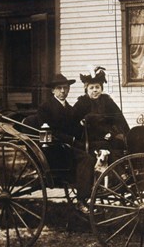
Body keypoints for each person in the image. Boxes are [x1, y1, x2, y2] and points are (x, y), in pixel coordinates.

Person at [38, 73, 93, 214]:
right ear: (53, 90)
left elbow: (72, 127)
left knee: (91, 151)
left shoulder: (68, 108)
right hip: (54, 149)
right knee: (86, 159)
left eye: (65, 88)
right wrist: (71, 140)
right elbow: (49, 131)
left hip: (66, 146)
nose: (63, 91)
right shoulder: (46, 107)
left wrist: (82, 125)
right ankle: (81, 200)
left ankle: (87, 187)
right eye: (59, 88)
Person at [73, 67, 130, 163]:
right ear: (86, 89)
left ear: (101, 88)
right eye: (91, 88)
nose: (95, 90)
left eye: (97, 87)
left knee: (122, 143)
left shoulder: (107, 101)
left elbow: (119, 119)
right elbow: (74, 122)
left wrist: (116, 133)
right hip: (90, 139)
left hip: (109, 136)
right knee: (106, 145)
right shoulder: (81, 103)